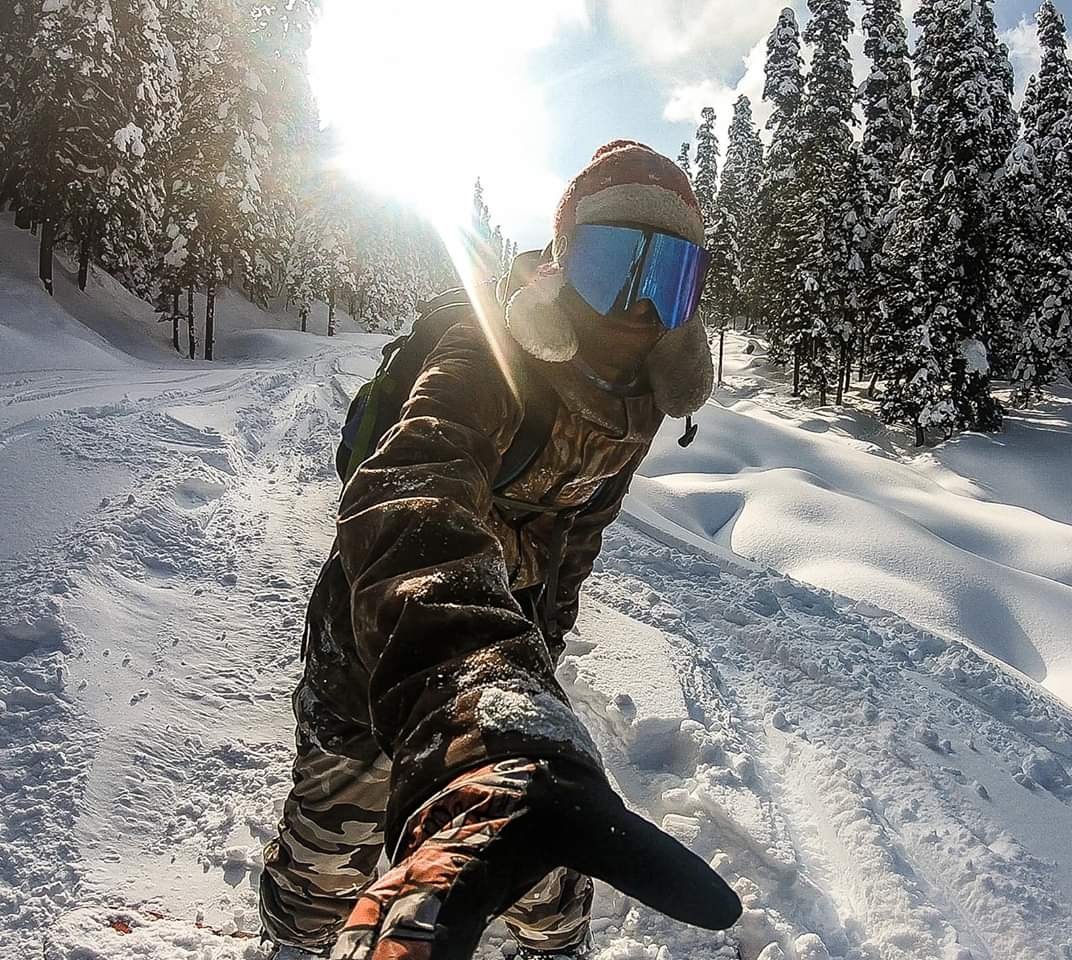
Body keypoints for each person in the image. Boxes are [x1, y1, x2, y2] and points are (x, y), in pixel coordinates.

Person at [259, 141, 742, 960]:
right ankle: (296, 946)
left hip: (504, 656)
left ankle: (549, 949)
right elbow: (411, 486)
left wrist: (535, 663)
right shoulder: (488, 353)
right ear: (562, 261)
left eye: (667, 278)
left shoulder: (642, 398)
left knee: (547, 853)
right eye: (612, 263)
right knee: (327, 853)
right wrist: (481, 704)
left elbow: (575, 539)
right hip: (384, 642)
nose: (636, 306)